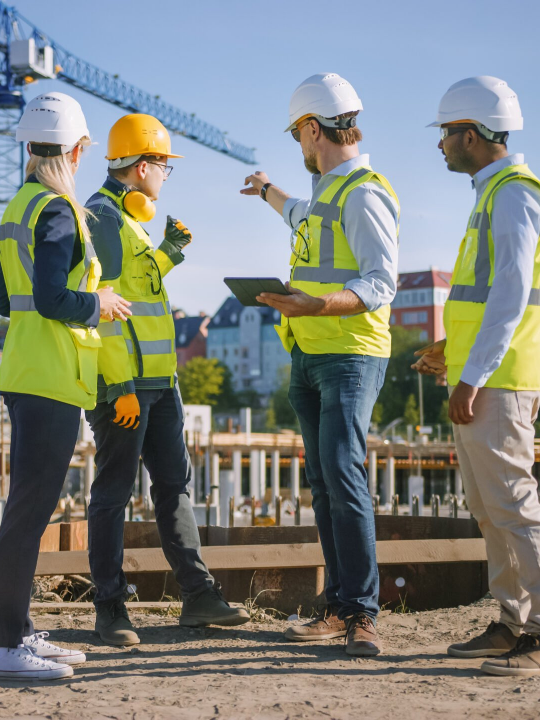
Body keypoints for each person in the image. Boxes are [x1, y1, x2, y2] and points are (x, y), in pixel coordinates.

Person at [413, 76, 540, 677]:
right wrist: (449, 348)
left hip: (500, 381)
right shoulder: (493, 194)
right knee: (489, 506)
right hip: (488, 372)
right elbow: (488, 300)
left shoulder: (512, 194)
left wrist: (470, 375)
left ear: (475, 135)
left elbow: (510, 296)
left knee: (513, 503)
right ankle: (512, 622)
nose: (441, 146)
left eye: (447, 134)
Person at [239, 73, 400, 657]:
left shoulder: (363, 192)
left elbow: (382, 282)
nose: (298, 147)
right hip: (309, 356)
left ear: (313, 130)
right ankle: (338, 606)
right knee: (325, 483)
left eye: (298, 137)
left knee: (343, 475)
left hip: (351, 355)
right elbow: (298, 213)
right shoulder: (328, 192)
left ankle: (362, 613)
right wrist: (266, 191)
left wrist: (315, 304)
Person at [0, 91, 133, 681]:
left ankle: (16, 632)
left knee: (28, 508)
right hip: (50, 380)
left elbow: (6, 299)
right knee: (29, 513)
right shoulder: (58, 209)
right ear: (75, 149)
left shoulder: (19, 205)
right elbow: (50, 299)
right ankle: (3, 647)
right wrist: (98, 301)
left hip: (25, 373)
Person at [84, 114, 249, 645]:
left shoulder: (130, 221)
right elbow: (104, 308)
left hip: (161, 384)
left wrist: (169, 254)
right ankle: (110, 609)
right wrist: (120, 386)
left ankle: (198, 597)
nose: (165, 176)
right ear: (142, 165)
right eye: (164, 167)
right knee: (111, 494)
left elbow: (138, 290)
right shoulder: (104, 217)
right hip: (126, 389)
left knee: (174, 488)